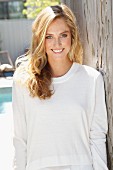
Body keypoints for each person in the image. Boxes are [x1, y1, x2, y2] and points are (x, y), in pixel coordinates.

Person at [12, 4, 108, 170]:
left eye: (63, 35)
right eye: (49, 36)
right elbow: (20, 140)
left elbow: (97, 137)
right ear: (40, 39)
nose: (57, 43)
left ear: (72, 36)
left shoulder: (92, 79)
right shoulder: (23, 81)